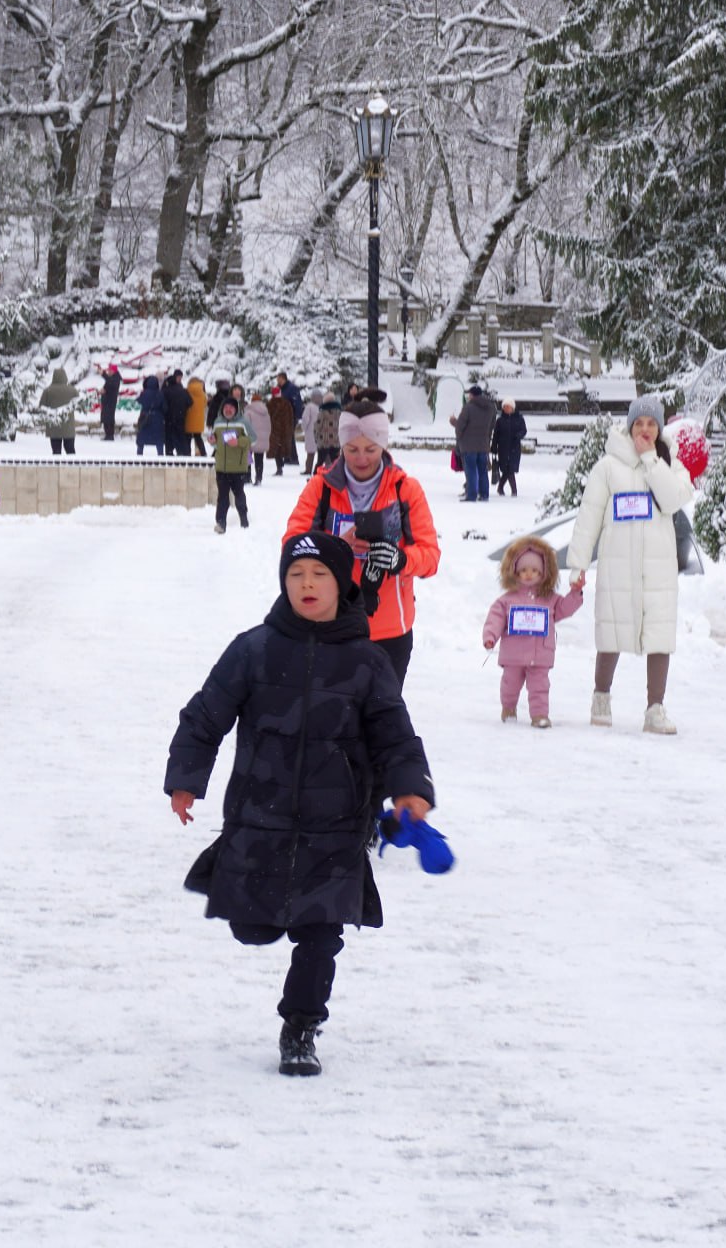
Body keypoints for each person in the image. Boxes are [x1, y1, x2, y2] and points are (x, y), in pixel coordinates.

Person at [164, 532, 435, 1076]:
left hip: (335, 827)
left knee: (321, 933)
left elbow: (396, 736)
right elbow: (204, 716)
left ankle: (301, 1027)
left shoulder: (366, 662)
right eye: (296, 575)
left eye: (319, 576)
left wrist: (410, 788)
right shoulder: (254, 649)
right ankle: (263, 918)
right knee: (253, 926)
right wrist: (186, 779)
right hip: (258, 815)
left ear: (341, 584)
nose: (306, 585)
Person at [284, 399, 440, 689]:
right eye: (352, 449)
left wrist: (401, 560)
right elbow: (292, 545)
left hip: (390, 630)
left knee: (380, 723)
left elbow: (430, 557)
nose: (362, 458)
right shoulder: (321, 488)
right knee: (331, 718)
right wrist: (334, 548)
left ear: (384, 445)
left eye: (370, 449)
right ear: (340, 445)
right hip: (331, 623)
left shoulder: (405, 490)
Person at [566, 395, 694, 734]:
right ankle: (601, 696)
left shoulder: (669, 462)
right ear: (630, 426)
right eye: (639, 423)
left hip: (658, 568)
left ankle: (655, 708)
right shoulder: (608, 466)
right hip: (617, 565)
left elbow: (674, 499)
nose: (645, 429)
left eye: (652, 424)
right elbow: (588, 516)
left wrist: (652, 461)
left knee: (659, 635)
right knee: (611, 629)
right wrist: (578, 563)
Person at [483, 535, 585, 728]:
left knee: (540, 687)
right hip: (513, 655)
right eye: (523, 570)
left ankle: (540, 715)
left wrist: (575, 594)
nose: (529, 574)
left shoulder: (550, 599)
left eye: (534, 570)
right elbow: (495, 619)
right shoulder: (506, 600)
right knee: (510, 685)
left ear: (544, 573)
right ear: (514, 572)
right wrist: (490, 637)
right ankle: (509, 707)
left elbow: (566, 608)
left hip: (540, 655)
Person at [209, 390, 250, 533]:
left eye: (231, 408)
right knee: (222, 498)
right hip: (221, 466)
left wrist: (238, 441)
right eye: (226, 408)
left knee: (239, 495)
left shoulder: (243, 423)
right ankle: (221, 524)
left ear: (236, 409)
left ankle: (244, 521)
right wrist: (212, 441)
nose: (228, 410)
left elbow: (253, 439)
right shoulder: (217, 422)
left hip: (238, 467)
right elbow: (215, 442)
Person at [453, 384, 498, 502]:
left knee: (471, 470)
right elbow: (492, 425)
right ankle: (484, 495)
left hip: (468, 445)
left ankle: (471, 495)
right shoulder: (491, 407)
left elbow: (460, 427)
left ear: (472, 395)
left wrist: (454, 423)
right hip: (483, 444)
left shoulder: (468, 408)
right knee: (483, 470)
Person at [491, 397, 527, 496]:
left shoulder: (519, 419)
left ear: (513, 407)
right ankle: (507, 489)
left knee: (510, 469)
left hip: (514, 448)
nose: (506, 408)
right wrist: (494, 447)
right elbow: (496, 435)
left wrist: (519, 435)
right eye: (505, 407)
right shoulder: (500, 420)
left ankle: (509, 489)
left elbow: (524, 430)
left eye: (508, 406)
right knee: (506, 469)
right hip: (502, 448)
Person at [39, 366, 78, 454]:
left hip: (54, 425)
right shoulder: (72, 390)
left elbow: (42, 406)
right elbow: (79, 404)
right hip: (68, 425)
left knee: (56, 451)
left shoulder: (48, 391)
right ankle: (72, 467)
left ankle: (56, 467)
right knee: (70, 450)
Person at [243, 391, 271, 486]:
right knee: (259, 459)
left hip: (251, 438)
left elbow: (246, 426)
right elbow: (269, 426)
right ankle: (259, 478)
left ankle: (247, 477)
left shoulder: (248, 411)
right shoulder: (266, 412)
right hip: (262, 438)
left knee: (247, 458)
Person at [266, 384, 294, 476]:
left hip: (274, 429)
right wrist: (290, 427)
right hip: (285, 429)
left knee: (276, 449)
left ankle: (279, 466)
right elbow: (290, 417)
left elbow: (268, 417)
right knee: (282, 447)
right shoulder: (286, 403)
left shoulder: (270, 404)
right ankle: (281, 464)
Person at [135, 374, 165, 456]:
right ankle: (160, 455)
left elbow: (138, 401)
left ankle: (139, 454)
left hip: (145, 417)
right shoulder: (160, 394)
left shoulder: (144, 394)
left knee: (142, 438)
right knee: (158, 439)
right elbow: (165, 407)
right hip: (157, 419)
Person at [314, 388, 342, 472]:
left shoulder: (322, 412)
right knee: (335, 461)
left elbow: (317, 426)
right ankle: (336, 478)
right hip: (336, 440)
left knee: (320, 461)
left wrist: (316, 437)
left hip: (324, 440)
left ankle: (315, 477)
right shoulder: (339, 412)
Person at [163, 369, 190, 456]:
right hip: (174, 416)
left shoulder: (176, 387)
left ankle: (174, 451)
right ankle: (176, 452)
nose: (179, 379)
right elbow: (189, 402)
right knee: (176, 435)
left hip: (174, 416)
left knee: (173, 435)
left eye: (181, 377)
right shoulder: (171, 386)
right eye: (179, 377)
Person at [278, 370, 303, 464]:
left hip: (291, 416)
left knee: (289, 437)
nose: (278, 381)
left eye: (279, 379)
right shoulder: (283, 389)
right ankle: (288, 457)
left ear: (284, 379)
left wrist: (297, 416)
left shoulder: (291, 388)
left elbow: (297, 402)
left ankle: (293, 458)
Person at [300, 388, 322, 476]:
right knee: (323, 453)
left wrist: (304, 428)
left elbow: (305, 418)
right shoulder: (322, 406)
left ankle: (308, 469)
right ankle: (323, 468)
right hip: (321, 431)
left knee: (310, 452)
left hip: (311, 431)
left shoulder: (309, 407)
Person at [185, 375, 208, 457]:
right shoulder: (203, 394)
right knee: (198, 438)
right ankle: (203, 453)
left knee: (187, 438)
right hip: (199, 421)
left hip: (188, 419)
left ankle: (187, 454)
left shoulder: (187, 392)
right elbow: (205, 404)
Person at [101, 364, 121, 441]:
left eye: (110, 370)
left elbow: (111, 384)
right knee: (106, 417)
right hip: (107, 400)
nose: (108, 372)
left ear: (114, 371)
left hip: (110, 401)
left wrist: (103, 374)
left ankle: (110, 435)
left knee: (109, 418)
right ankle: (107, 434)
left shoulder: (116, 378)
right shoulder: (112, 377)